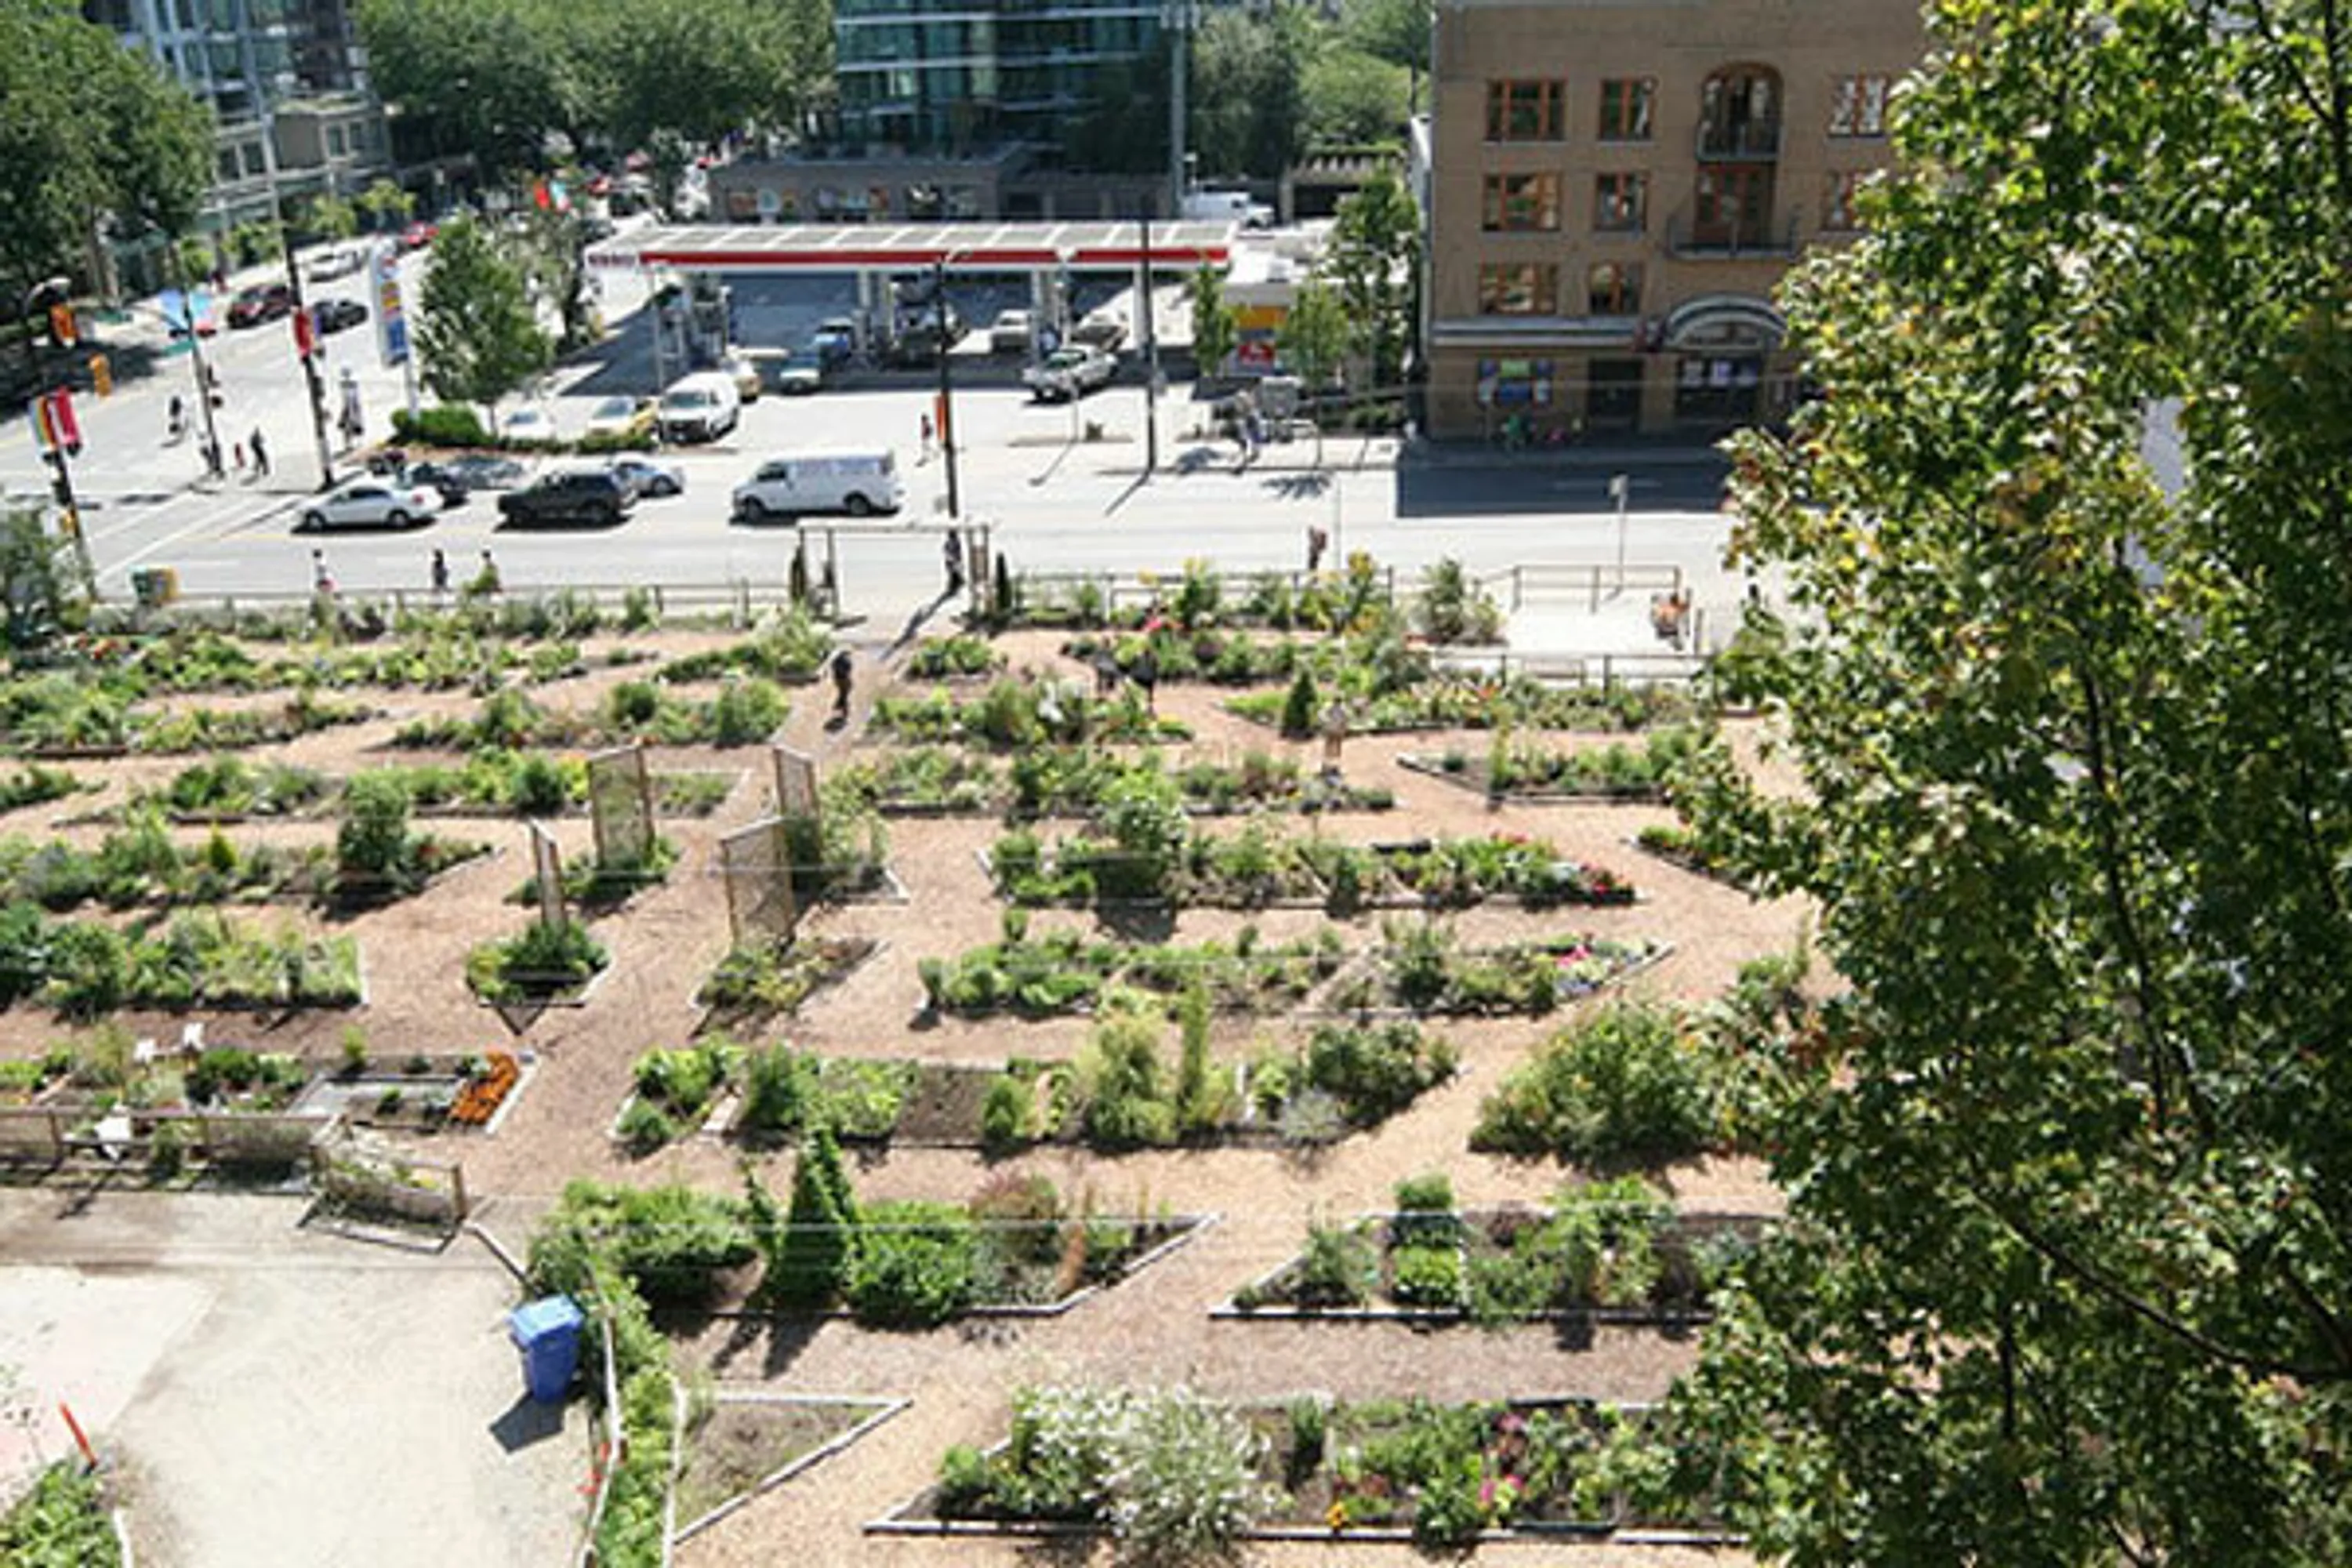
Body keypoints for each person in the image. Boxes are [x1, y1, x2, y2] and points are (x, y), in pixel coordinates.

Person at [829, 646, 855, 720]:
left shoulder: (836, 660)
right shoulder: (847, 661)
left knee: (842, 692)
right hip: (844, 679)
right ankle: (843, 709)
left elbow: (832, 667)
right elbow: (849, 670)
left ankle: (839, 705)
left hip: (837, 679)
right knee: (845, 694)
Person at [942, 528, 965, 596]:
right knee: (954, 574)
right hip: (953, 561)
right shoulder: (955, 542)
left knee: (954, 575)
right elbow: (957, 551)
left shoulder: (951, 542)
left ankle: (954, 587)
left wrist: (952, 558)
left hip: (952, 561)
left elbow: (946, 550)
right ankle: (955, 586)